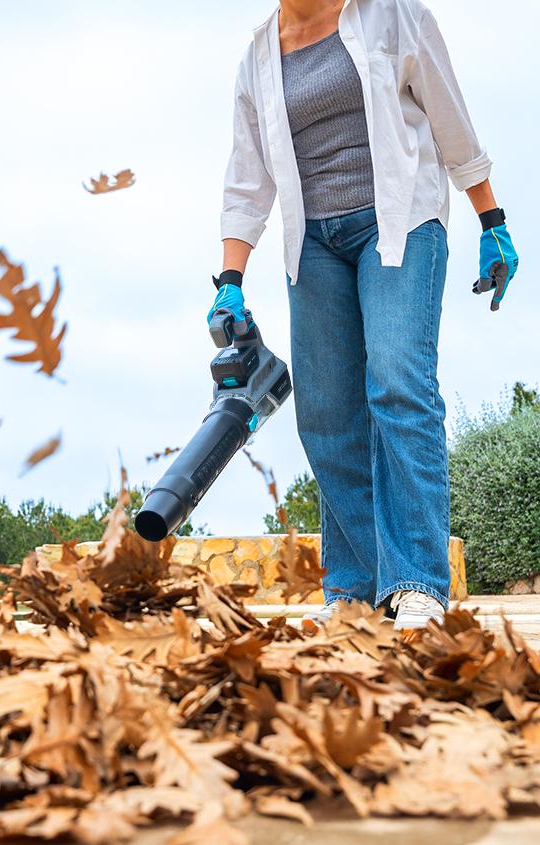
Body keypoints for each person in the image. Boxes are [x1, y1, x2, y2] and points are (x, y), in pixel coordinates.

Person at [210, 0, 519, 629]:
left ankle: (417, 584)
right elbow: (248, 180)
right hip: (314, 245)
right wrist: (230, 278)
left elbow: (451, 120)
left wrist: (492, 220)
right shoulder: (258, 56)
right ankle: (354, 593)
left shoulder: (394, 15)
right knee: (326, 412)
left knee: (398, 385)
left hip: (401, 223)